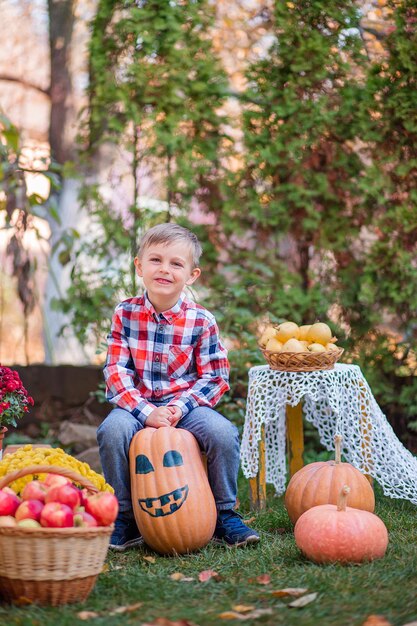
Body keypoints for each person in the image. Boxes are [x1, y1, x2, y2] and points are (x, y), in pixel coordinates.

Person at [97, 223, 260, 551]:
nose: (164, 269)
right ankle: (126, 517)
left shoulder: (201, 321)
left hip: (185, 408)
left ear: (192, 275)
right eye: (155, 260)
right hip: (137, 406)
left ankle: (224, 514)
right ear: (139, 266)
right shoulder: (125, 314)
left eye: (176, 264)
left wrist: (178, 408)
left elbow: (215, 376)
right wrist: (146, 411)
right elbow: (116, 371)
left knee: (222, 433)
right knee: (111, 432)